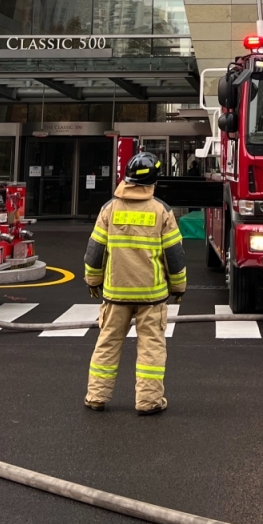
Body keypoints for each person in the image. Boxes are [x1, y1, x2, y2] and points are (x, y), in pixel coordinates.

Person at [83, 151, 187, 416]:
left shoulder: (109, 209)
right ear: (153, 180)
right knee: (151, 347)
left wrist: (93, 280)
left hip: (115, 293)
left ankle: (96, 396)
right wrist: (178, 287)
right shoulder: (161, 211)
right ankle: (148, 401)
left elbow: (95, 251)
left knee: (107, 343)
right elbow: (174, 256)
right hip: (151, 296)